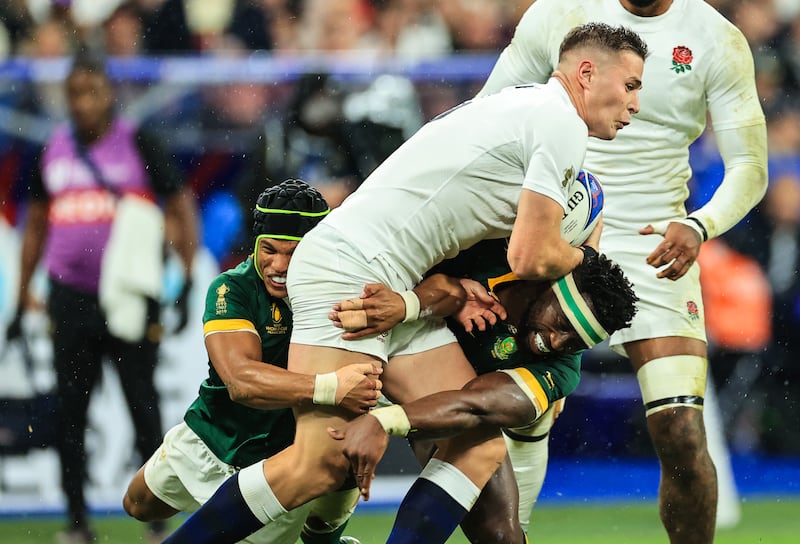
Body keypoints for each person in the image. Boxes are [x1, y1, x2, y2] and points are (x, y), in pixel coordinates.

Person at [162, 22, 647, 544]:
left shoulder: (521, 106)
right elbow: (529, 254)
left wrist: (424, 305)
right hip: (353, 266)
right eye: (632, 85)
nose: (636, 104)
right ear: (587, 72)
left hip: (387, 273)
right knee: (318, 465)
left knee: (476, 446)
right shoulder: (560, 124)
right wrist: (586, 260)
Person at [476, 1, 769, 542]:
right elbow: (490, 110)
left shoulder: (716, 39)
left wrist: (700, 225)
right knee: (523, 416)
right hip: (555, 230)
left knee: (681, 431)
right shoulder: (559, 12)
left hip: (656, 247)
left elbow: (751, 167)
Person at [5, 51, 199, 544]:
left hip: (130, 297)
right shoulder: (51, 149)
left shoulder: (138, 143)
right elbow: (37, 224)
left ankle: (158, 520)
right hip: (68, 297)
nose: (83, 103)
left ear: (109, 93)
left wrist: (184, 275)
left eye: (92, 92)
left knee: (143, 408)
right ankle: (76, 522)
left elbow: (179, 208)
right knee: (71, 412)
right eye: (74, 93)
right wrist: (24, 287)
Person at [327, 238, 639, 543]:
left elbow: (475, 404)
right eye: (562, 323)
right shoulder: (493, 250)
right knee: (316, 469)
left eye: (575, 342)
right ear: (548, 287)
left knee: (500, 532)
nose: (557, 342)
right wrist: (442, 293)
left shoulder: (561, 371)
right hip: (373, 340)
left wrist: (384, 421)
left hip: (438, 400)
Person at [122, 179, 381, 544]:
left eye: (295, 253)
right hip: (215, 433)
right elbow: (241, 382)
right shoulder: (233, 289)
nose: (279, 265)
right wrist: (331, 387)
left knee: (322, 519)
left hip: (283, 458)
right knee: (137, 504)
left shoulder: (342, 291)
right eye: (269, 250)